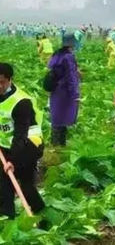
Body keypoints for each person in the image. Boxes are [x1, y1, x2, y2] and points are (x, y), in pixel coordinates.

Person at [0, 63, 46, 220]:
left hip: (29, 144)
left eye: (1, 82)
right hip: (6, 144)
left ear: (10, 80)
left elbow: (20, 135)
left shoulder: (21, 102)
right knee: (4, 182)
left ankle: (40, 212)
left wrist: (12, 160)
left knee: (25, 184)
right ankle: (7, 218)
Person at [47, 35, 81, 147]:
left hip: (56, 91)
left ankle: (55, 144)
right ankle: (60, 144)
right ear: (72, 44)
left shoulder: (57, 54)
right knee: (63, 118)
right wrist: (75, 95)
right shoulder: (68, 57)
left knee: (57, 117)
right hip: (64, 92)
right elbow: (71, 77)